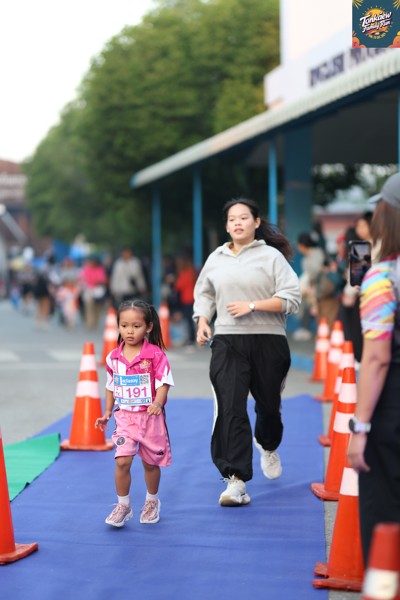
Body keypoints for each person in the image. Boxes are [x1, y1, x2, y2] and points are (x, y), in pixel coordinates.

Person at [193, 198, 301, 507]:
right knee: (230, 407)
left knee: (269, 407)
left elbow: (292, 298)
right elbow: (205, 293)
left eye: (244, 217)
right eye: (232, 219)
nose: (237, 222)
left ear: (256, 222)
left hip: (269, 340)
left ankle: (267, 444)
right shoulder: (216, 258)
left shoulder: (271, 257)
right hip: (228, 340)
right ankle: (235, 480)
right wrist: (203, 320)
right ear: (227, 226)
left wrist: (253, 305)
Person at [347, 172, 400, 564]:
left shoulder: (382, 274)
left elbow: (377, 357)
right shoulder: (362, 253)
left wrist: (360, 427)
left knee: (384, 512)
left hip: (391, 408)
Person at [95, 299, 174, 527]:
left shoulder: (156, 355)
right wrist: (107, 412)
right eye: (124, 325)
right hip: (125, 419)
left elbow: (164, 383)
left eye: (136, 326)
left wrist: (158, 402)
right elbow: (111, 386)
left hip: (150, 419)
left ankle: (152, 501)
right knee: (122, 461)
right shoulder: (113, 357)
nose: (129, 331)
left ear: (148, 327)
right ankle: (123, 505)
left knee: (150, 464)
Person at [79, 256, 108, 329]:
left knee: (98, 307)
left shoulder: (100, 269)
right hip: (88, 290)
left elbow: (103, 279)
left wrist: (97, 282)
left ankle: (96, 322)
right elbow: (82, 279)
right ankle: (89, 322)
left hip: (98, 291)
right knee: (89, 306)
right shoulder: (86, 269)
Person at [174, 254, 197, 345]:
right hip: (193, 297)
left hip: (187, 299)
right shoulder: (192, 272)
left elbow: (179, 286)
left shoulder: (184, 273)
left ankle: (191, 339)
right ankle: (193, 337)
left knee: (189, 319)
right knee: (192, 319)